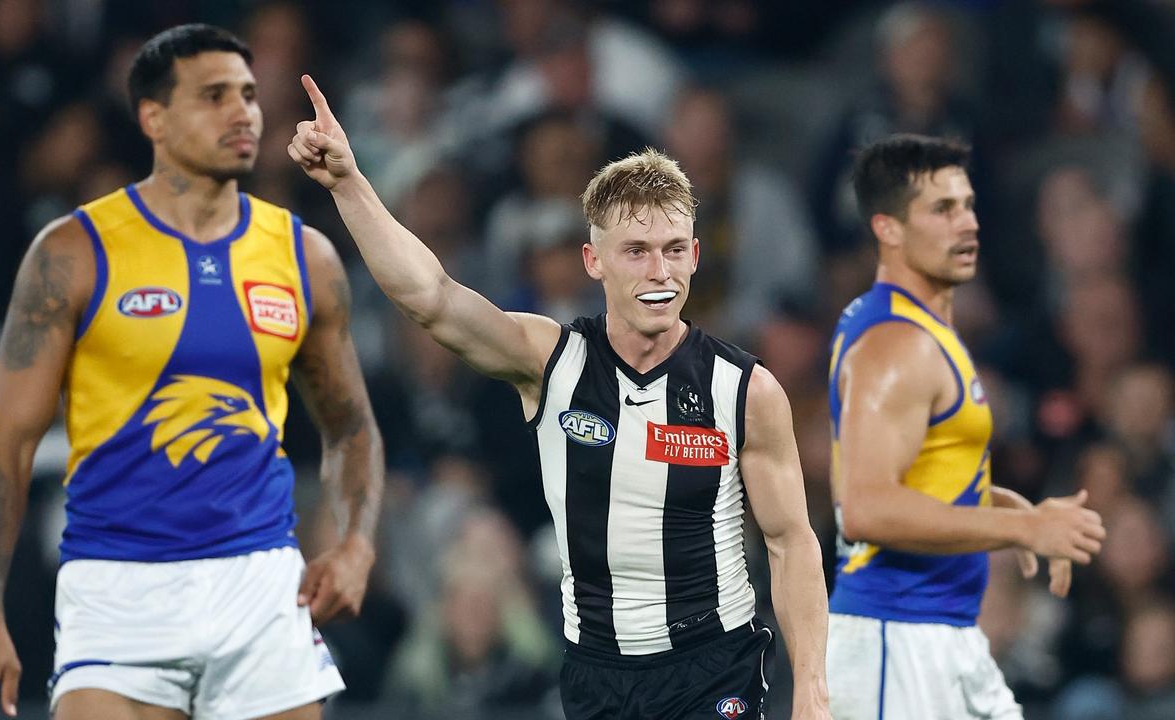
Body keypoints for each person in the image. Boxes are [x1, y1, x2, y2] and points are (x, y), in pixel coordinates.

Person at [289, 75, 832, 719]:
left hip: (713, 673)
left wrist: (813, 692)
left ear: (694, 257)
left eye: (674, 250)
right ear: (593, 260)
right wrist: (350, 184)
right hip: (593, 674)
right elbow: (430, 296)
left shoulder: (745, 390)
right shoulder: (552, 362)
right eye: (636, 251)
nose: (659, 272)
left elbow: (792, 542)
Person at [0, 24, 383, 720]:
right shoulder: (72, 254)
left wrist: (357, 542)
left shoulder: (306, 258)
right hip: (118, 584)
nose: (243, 112)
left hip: (261, 582)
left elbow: (350, 426)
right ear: (153, 117)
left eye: (247, 94)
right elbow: (5, 444)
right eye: (214, 96)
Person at [824, 134, 1107, 720]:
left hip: (943, 634)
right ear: (888, 229)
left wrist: (1017, 517)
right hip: (895, 643)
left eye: (969, 205)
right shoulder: (895, 346)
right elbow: (866, 507)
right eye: (942, 210)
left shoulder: (923, 331)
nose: (968, 224)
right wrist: (1022, 533)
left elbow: (926, 478)